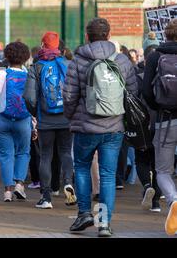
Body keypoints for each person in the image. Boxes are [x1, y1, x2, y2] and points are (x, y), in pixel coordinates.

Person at [63, 18, 137, 237]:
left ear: (87, 36)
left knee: (83, 168)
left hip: (85, 126)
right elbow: (132, 92)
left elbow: (69, 95)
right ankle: (104, 223)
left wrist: (71, 117)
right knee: (107, 175)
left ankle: (84, 213)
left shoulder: (78, 60)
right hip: (114, 127)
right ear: (109, 34)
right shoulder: (122, 59)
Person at [25, 31, 76, 209]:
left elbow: (29, 98)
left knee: (45, 156)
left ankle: (46, 197)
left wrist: (36, 113)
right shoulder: (69, 65)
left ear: (43, 46)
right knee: (66, 152)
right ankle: (68, 182)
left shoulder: (36, 67)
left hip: (45, 119)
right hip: (66, 118)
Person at [0, 41, 33, 202]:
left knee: (5, 155)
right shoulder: (29, 76)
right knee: (23, 152)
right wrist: (35, 125)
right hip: (23, 120)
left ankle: (7, 191)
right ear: (25, 58)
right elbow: (32, 102)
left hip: (1, 119)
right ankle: (20, 184)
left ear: (6, 56)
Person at [142, 18, 177, 236]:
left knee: (163, 170)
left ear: (166, 34)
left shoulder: (155, 56)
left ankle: (174, 200)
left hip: (165, 120)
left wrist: (159, 107)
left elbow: (146, 90)